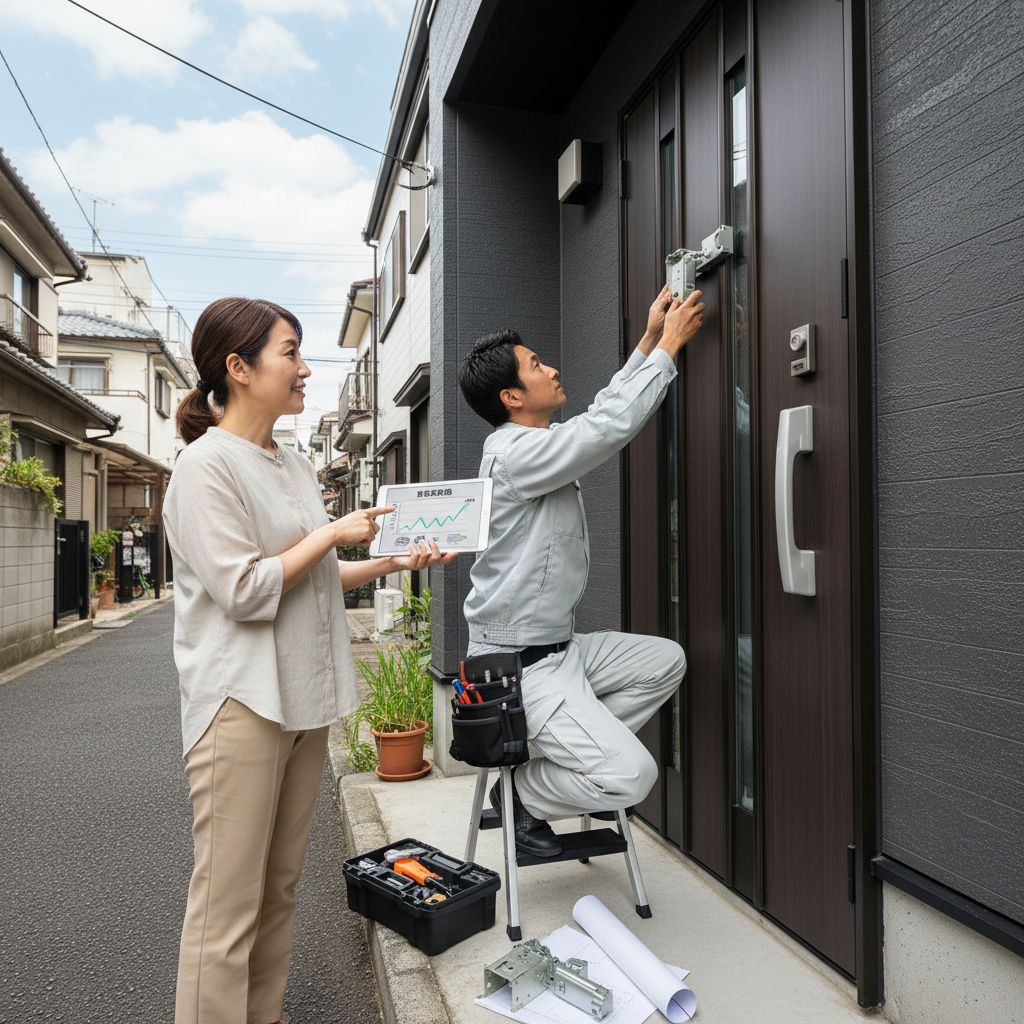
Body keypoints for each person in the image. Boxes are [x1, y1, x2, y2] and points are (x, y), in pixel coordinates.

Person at [164, 297, 454, 1024]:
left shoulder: (290, 461)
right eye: (290, 352)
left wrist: (388, 561)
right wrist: (331, 537)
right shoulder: (204, 468)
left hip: (298, 697)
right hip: (240, 704)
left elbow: (308, 575)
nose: (304, 368)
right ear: (238, 367)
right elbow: (244, 588)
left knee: (280, 887)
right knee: (226, 904)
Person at [457, 286, 705, 856]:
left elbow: (598, 416)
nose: (553, 369)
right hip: (516, 669)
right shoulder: (514, 453)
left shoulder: (535, 442)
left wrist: (647, 341)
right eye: (536, 365)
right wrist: (668, 347)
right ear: (512, 396)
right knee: (633, 776)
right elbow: (607, 428)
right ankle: (524, 794)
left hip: (559, 649)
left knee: (664, 661)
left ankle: (568, 759)